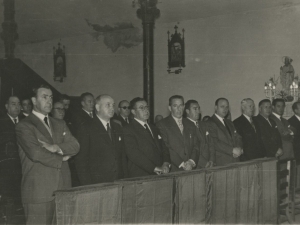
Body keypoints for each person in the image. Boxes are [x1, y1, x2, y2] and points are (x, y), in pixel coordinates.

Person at [16, 85, 79, 225]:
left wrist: (56, 147)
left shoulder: (60, 123)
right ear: (34, 100)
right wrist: (61, 157)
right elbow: (35, 153)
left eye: (50, 97)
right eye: (44, 97)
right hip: (38, 192)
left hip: (63, 189)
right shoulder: (24, 126)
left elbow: (75, 145)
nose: (49, 101)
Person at [75, 94, 127, 185]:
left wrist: (124, 179)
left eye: (113, 105)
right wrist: (87, 185)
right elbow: (81, 160)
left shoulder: (117, 127)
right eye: (108, 105)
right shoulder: (87, 127)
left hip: (118, 181)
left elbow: (122, 156)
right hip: (97, 182)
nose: (112, 108)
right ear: (97, 107)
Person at [123, 97, 171, 177]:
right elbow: (134, 154)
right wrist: (154, 168)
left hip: (159, 173)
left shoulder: (154, 128)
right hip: (141, 175)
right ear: (133, 111)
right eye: (141, 108)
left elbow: (164, 148)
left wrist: (165, 163)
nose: (146, 110)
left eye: (146, 107)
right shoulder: (128, 129)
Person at [156, 95, 199, 172]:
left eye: (181, 105)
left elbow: (196, 145)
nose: (179, 109)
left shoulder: (190, 124)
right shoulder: (162, 124)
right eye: (175, 106)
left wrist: (191, 162)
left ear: (184, 107)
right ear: (170, 108)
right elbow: (166, 147)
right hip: (174, 169)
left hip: (191, 169)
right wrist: (182, 164)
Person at [0, 96, 22, 209]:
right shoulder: (1, 122)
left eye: (19, 104)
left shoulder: (26, 121)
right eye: (13, 104)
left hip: (23, 164)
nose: (17, 107)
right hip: (6, 166)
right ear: (6, 106)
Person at [206, 98, 243, 166]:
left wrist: (239, 148)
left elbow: (238, 137)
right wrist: (232, 150)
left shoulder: (229, 122)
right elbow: (214, 141)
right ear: (216, 107)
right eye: (222, 106)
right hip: (222, 162)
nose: (225, 109)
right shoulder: (210, 122)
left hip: (236, 160)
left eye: (227, 107)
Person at [184, 100, 214, 168]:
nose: (198, 111)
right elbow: (190, 149)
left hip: (210, 164)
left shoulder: (204, 124)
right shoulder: (184, 125)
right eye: (195, 109)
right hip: (196, 165)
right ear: (187, 111)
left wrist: (212, 160)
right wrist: (204, 163)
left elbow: (211, 144)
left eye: (198, 108)